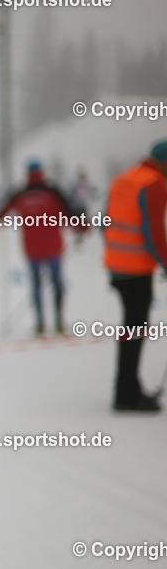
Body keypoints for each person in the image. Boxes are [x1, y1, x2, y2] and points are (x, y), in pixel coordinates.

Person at [102, 138, 167, 412]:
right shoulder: (152, 183)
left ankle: (127, 388)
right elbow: (154, 234)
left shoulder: (123, 178)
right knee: (135, 329)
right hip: (136, 269)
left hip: (116, 266)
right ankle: (126, 394)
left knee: (131, 328)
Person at [0, 160, 85, 336]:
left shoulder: (20, 193)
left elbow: (1, 213)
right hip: (53, 246)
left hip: (32, 248)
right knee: (57, 284)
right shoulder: (52, 191)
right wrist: (82, 226)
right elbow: (69, 213)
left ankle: (40, 324)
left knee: (36, 284)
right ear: (42, 173)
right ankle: (59, 322)